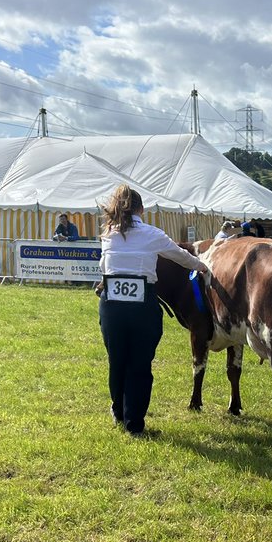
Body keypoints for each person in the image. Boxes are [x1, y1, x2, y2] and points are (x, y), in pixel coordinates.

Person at [95, 185, 210, 437]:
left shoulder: (107, 236)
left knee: (117, 361)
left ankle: (118, 411)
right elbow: (181, 256)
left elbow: (105, 267)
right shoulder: (152, 234)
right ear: (141, 209)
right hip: (142, 305)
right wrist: (201, 266)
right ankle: (134, 424)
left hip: (111, 305)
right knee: (139, 364)